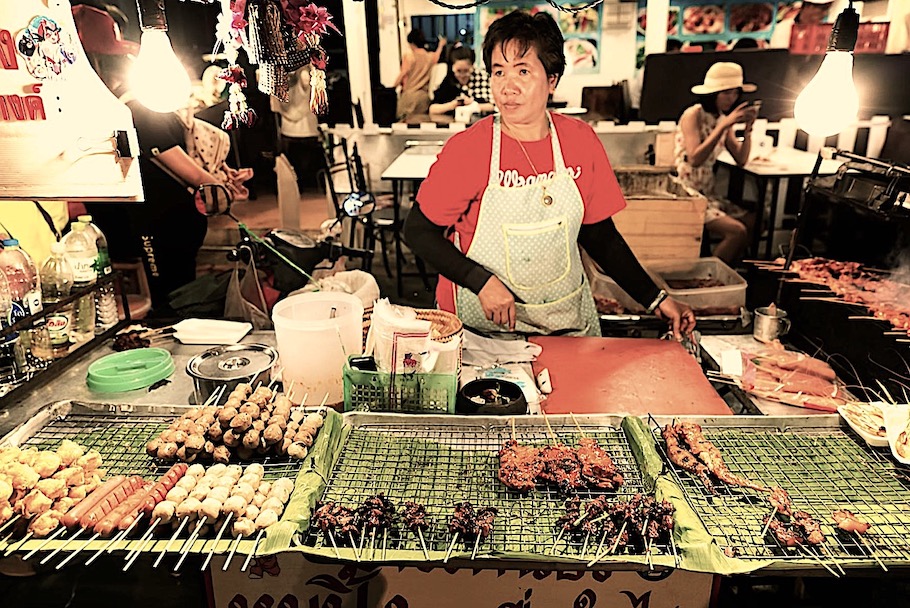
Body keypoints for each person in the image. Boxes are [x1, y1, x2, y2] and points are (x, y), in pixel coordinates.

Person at [404, 10, 694, 339]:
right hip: (481, 328)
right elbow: (418, 231)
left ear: (552, 80)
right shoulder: (469, 149)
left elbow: (599, 236)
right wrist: (479, 280)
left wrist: (656, 299)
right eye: (499, 72)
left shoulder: (580, 141)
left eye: (523, 71)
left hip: (563, 321)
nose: (507, 87)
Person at [73, 5, 250, 313]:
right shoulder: (122, 108)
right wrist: (220, 184)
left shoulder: (137, 106)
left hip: (161, 222)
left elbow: (176, 160)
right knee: (176, 294)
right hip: (160, 220)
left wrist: (220, 184)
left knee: (171, 300)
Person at [674, 62, 758, 264]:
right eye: (726, 93)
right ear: (713, 94)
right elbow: (695, 158)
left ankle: (729, 267)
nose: (732, 98)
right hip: (688, 193)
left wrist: (747, 130)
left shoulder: (721, 118)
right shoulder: (693, 114)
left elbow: (741, 159)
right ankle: (711, 275)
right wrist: (724, 126)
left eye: (735, 93)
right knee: (737, 231)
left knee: (753, 220)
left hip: (708, 193)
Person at [270, 66, 326, 191]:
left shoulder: (283, 74)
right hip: (302, 128)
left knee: (299, 158)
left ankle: (302, 183)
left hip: (294, 128)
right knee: (299, 159)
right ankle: (303, 183)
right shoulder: (304, 72)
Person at [393, 29, 446, 120]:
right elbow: (437, 56)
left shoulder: (410, 57)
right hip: (423, 98)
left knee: (403, 127)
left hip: (409, 96)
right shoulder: (430, 57)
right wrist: (441, 45)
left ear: (411, 43)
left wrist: (392, 88)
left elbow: (403, 73)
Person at [429, 45, 495, 116]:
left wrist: (473, 105)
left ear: (472, 67)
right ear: (453, 68)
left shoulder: (482, 78)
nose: (462, 75)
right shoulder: (449, 81)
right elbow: (432, 109)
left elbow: (493, 106)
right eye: (459, 71)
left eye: (466, 71)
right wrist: (452, 105)